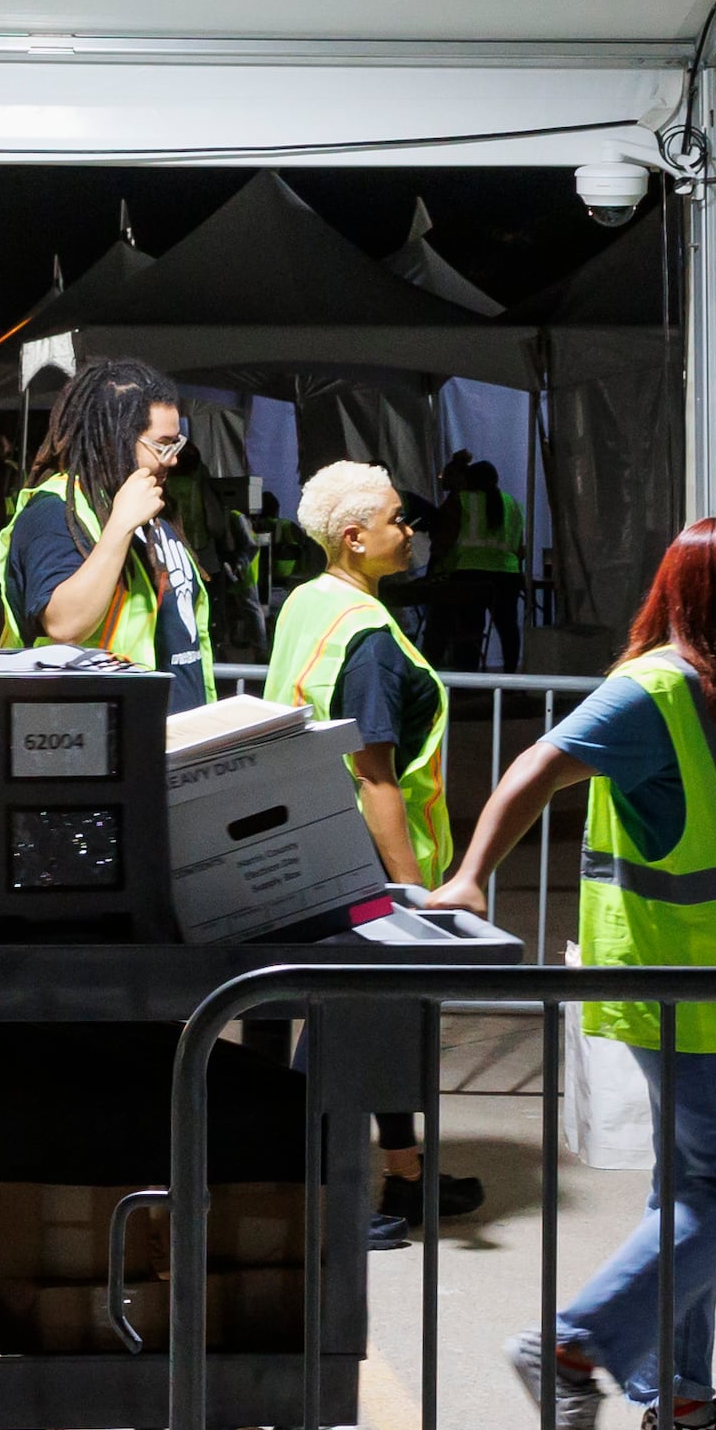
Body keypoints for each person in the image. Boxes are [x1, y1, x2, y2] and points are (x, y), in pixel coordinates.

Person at [434, 517, 716, 1430]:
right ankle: (570, 1346)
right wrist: (469, 876)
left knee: (694, 1197)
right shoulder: (657, 691)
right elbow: (538, 765)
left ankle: (678, 1402)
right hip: (696, 991)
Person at [267, 460, 483, 1245]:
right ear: (355, 537)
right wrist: (413, 894)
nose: (411, 528)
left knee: (372, 1021)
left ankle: (407, 1173)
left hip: (312, 840)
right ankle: (318, 1198)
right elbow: (377, 775)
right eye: (397, 518)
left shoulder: (309, 603)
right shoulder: (370, 641)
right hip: (366, 863)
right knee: (345, 1032)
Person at [0, 357, 210, 711]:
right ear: (114, 440)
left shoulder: (147, 509)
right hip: (96, 731)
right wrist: (121, 524)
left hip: (167, 729)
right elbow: (64, 624)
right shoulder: (54, 512)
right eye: (163, 445)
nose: (173, 459)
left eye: (176, 444)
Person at [434, 453, 530, 673]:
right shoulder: (512, 504)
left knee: (469, 630)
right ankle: (511, 675)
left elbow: (446, 537)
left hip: (469, 573)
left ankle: (468, 678)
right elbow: (519, 548)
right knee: (508, 627)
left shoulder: (461, 501)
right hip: (507, 574)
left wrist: (439, 565)